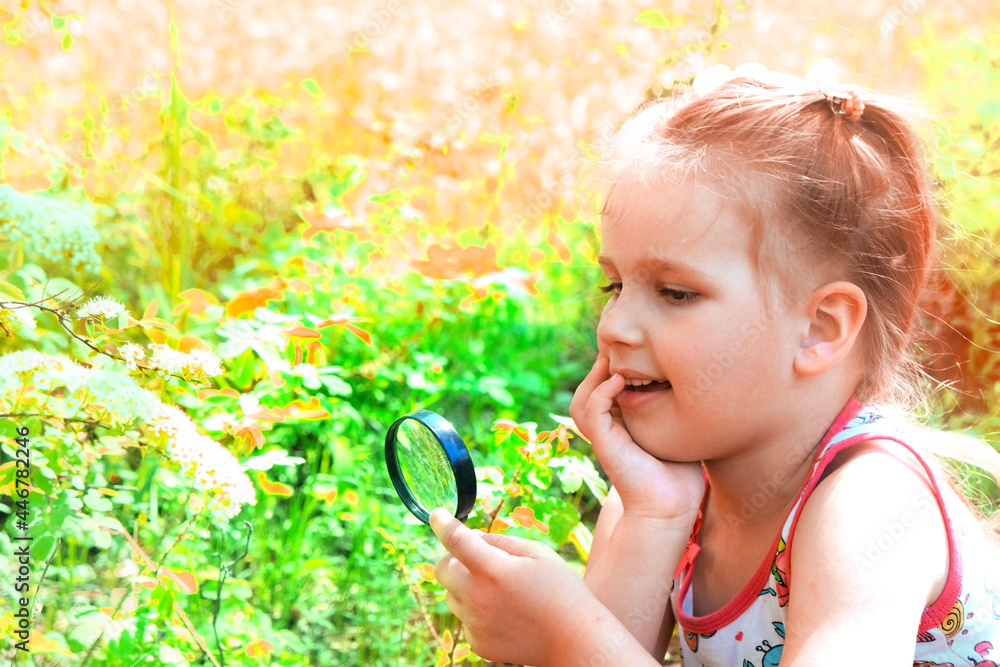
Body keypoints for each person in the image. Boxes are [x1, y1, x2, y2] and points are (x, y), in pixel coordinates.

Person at [429, 60, 1000, 666]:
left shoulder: (872, 508)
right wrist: (655, 516)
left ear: (819, 329)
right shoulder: (656, 492)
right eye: (613, 286)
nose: (614, 327)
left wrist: (567, 636)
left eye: (675, 293)